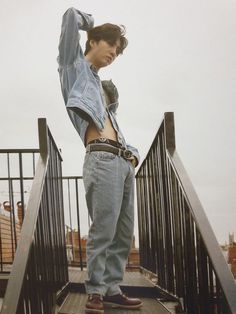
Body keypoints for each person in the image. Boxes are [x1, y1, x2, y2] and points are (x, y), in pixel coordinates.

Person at [58, 7, 142, 314]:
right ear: (93, 41)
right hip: (102, 159)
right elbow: (70, 16)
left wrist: (131, 153)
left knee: (123, 231)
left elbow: (112, 125)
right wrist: (94, 25)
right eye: (111, 45)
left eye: (118, 51)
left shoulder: (100, 90)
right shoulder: (72, 68)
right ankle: (95, 290)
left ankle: (111, 288)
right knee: (103, 229)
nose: (114, 53)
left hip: (121, 162)